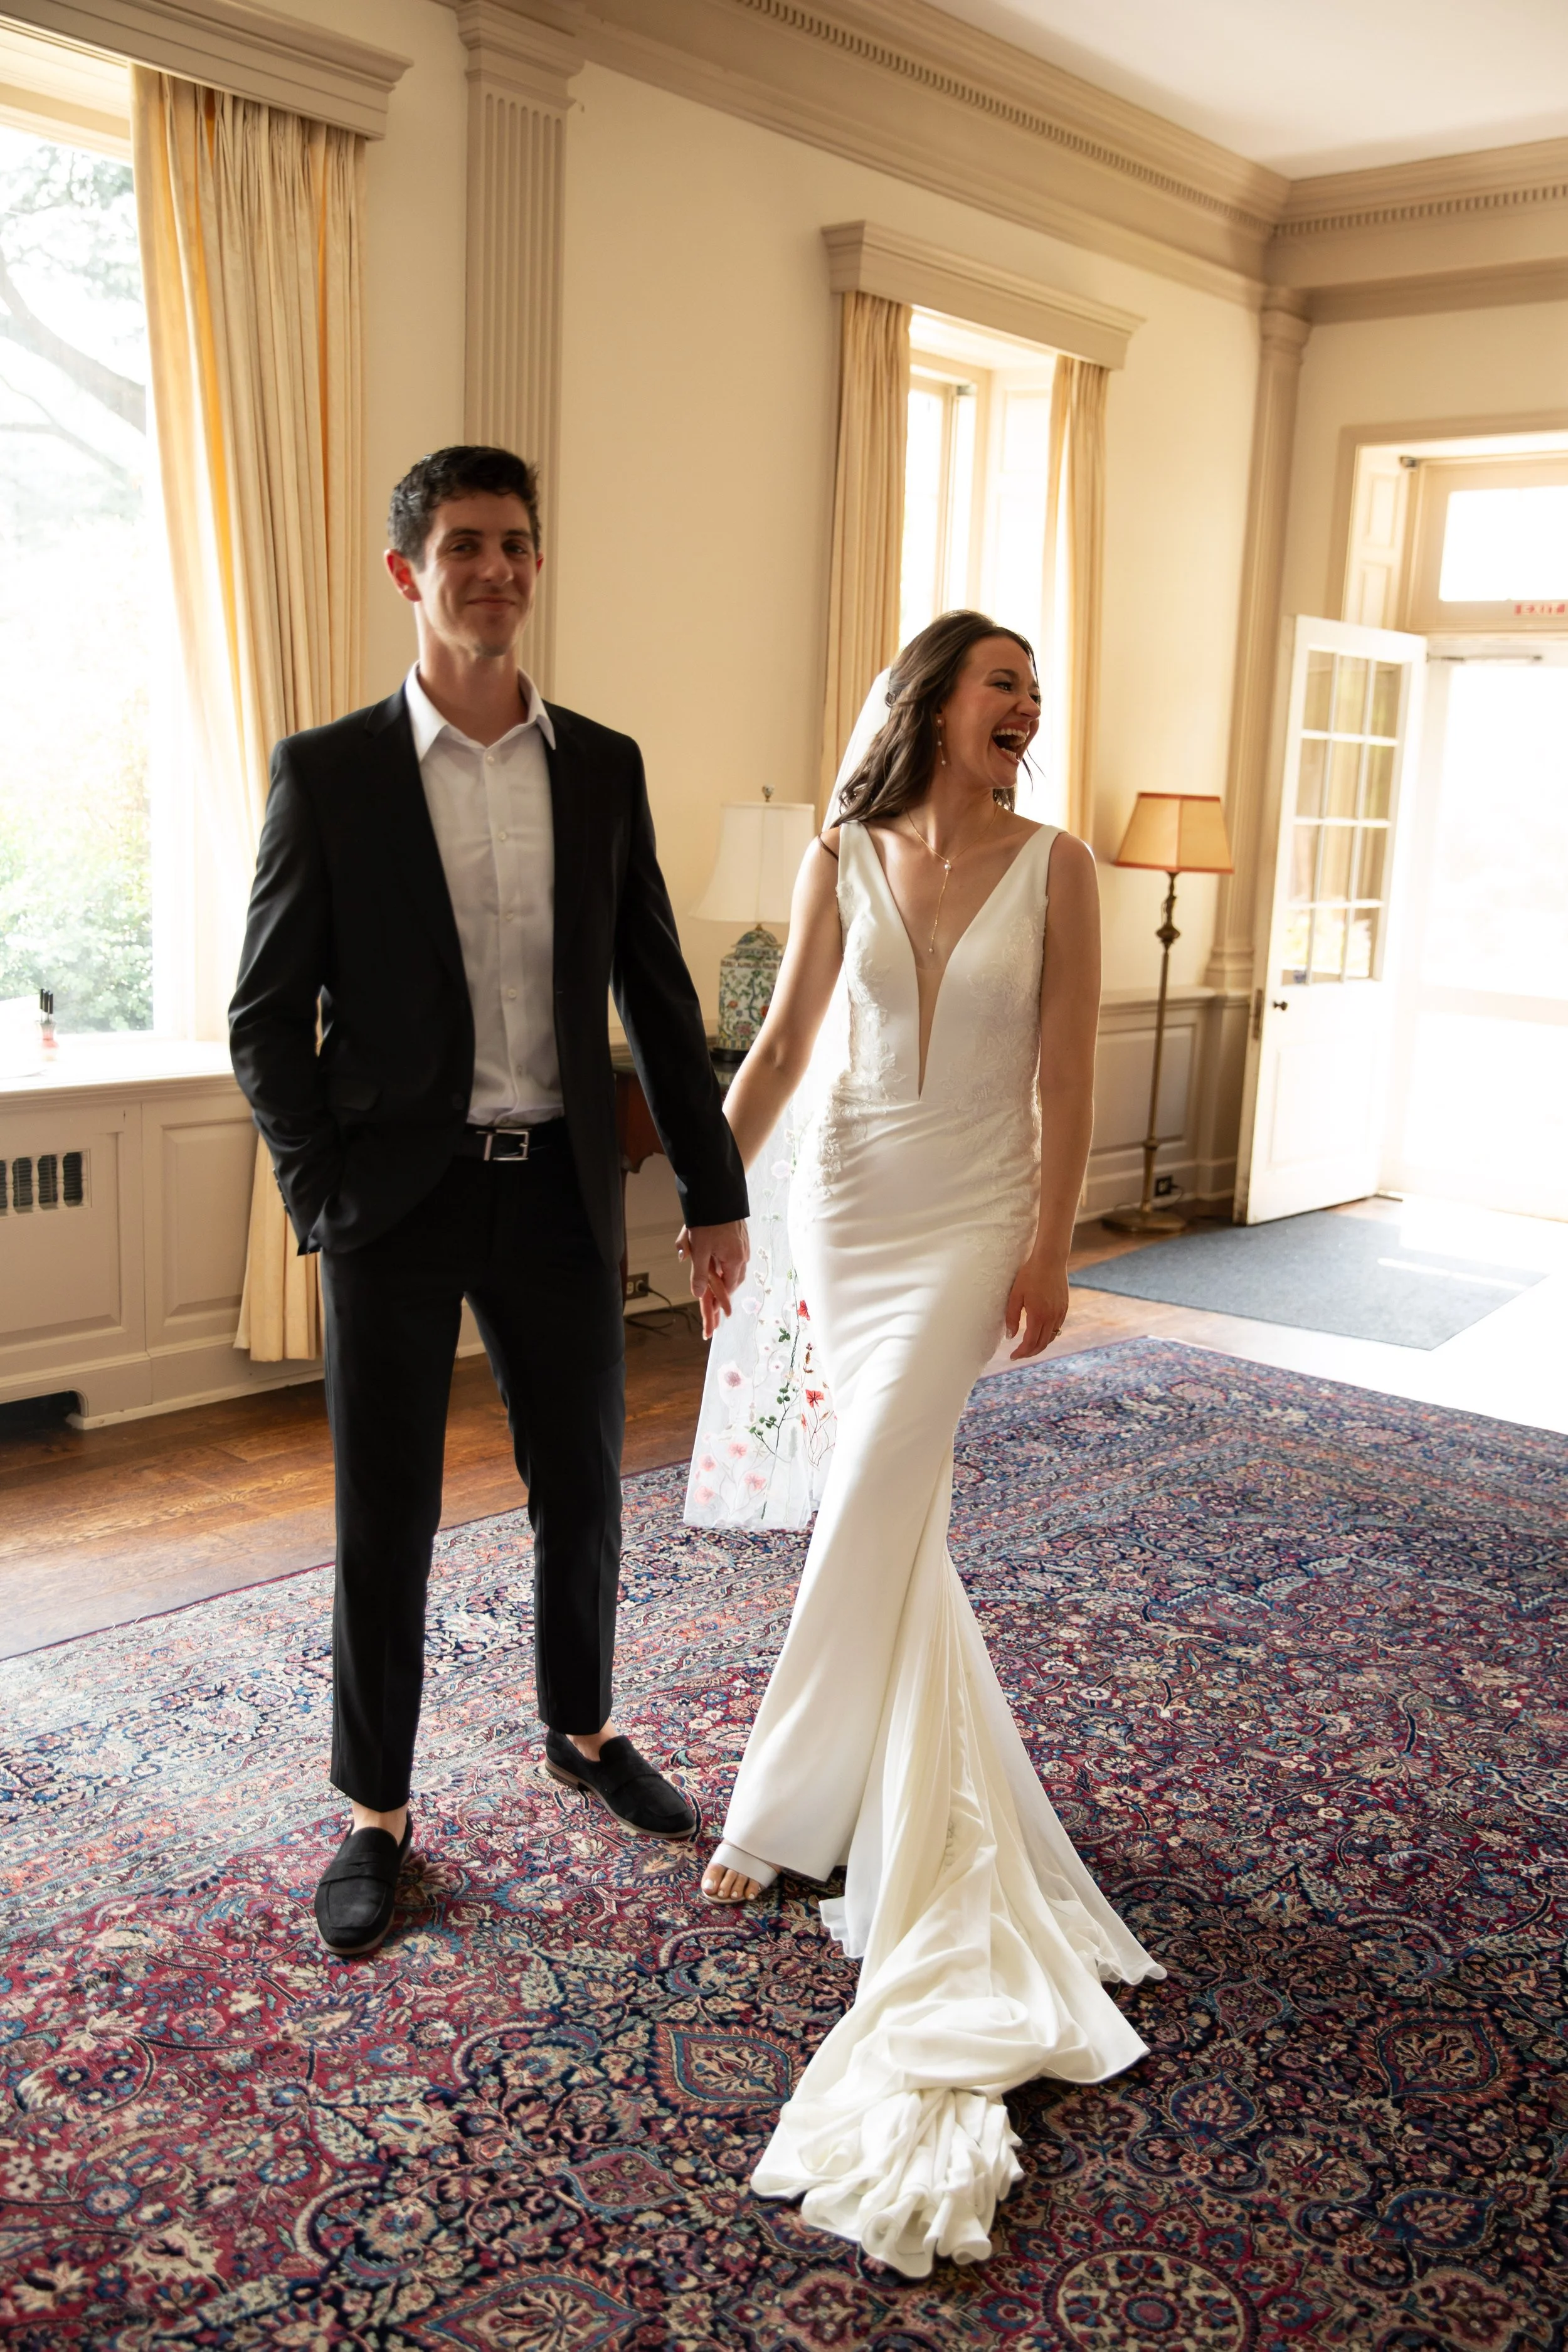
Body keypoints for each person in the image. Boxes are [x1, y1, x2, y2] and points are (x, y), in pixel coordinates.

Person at [689, 612, 1163, 2275]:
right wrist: (708, 1196)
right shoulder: (843, 849)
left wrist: (1051, 1246)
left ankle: (773, 1809)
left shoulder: (1062, 866)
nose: (1025, 703)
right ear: (936, 703)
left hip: (969, 1212)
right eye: (1000, 680)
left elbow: (1066, 1070)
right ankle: (840, 1789)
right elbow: (779, 1044)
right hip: (846, 1195)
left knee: (878, 1483)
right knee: (879, 1509)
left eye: (1034, 687)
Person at [230, 445, 748, 1959]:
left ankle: (582, 1729)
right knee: (384, 1514)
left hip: (559, 1196)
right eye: (464, 545)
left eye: (516, 544)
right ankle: (375, 1812)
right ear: (410, 571)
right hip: (394, 1203)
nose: (496, 570)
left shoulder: (601, 766)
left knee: (582, 1487)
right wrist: (323, 1196)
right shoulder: (328, 773)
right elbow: (265, 1017)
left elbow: (658, 998)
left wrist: (713, 1193)